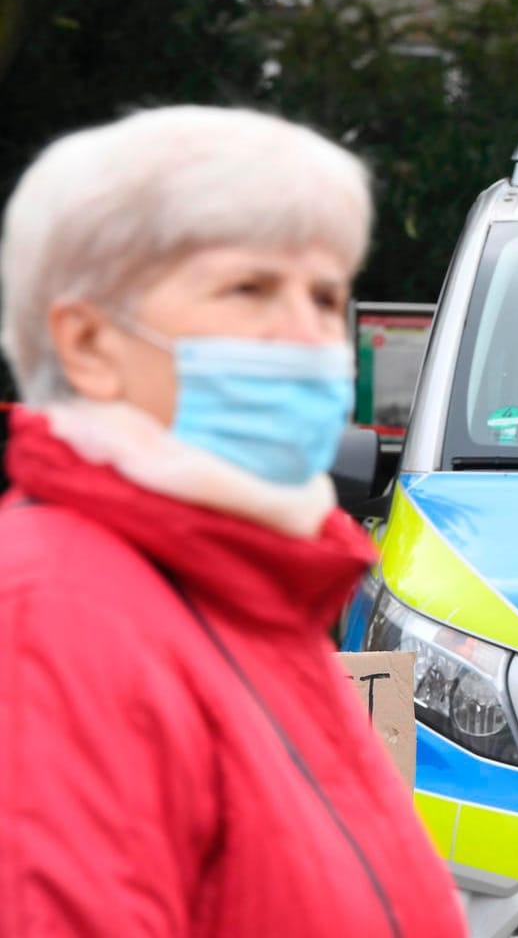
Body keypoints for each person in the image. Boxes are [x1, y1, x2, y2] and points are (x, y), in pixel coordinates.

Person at [0, 107, 467, 937]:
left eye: (326, 297)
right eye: (249, 288)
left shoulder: (245, 597)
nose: (308, 336)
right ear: (87, 343)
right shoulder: (55, 616)